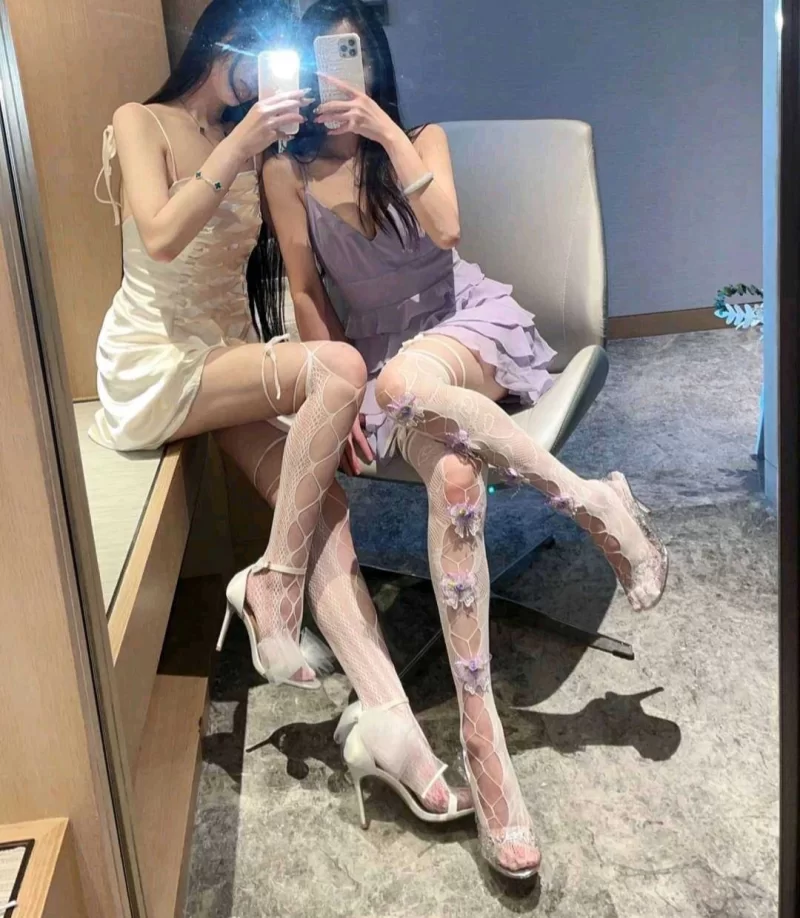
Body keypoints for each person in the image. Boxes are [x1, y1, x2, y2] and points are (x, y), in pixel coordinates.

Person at [259, 0, 669, 879]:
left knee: (410, 384)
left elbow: (446, 229)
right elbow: (305, 293)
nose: (333, 69)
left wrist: (380, 129)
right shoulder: (283, 170)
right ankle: (489, 753)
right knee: (451, 479)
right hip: (378, 363)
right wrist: (338, 395)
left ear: (371, 60)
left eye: (349, 51)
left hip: (462, 331)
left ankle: (584, 506)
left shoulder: (422, 139)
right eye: (319, 53)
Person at [91, 0, 373, 690]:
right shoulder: (141, 120)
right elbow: (162, 238)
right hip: (155, 363)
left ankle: (384, 706)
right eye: (253, 51)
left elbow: (281, 277)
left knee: (322, 498)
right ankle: (272, 586)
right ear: (220, 40)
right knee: (341, 368)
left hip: (224, 356)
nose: (257, 75)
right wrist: (243, 141)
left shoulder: (253, 143)